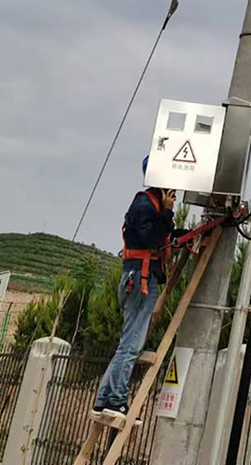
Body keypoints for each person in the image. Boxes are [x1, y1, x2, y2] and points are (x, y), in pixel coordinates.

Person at [93, 159, 177, 416]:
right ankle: (116, 399)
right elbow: (151, 238)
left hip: (141, 277)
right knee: (131, 345)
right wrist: (167, 212)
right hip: (141, 279)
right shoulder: (145, 204)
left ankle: (104, 398)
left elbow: (163, 235)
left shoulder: (151, 205)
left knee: (127, 343)